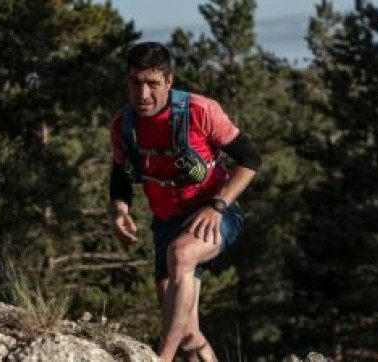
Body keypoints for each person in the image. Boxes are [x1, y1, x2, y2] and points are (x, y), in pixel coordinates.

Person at [108, 42, 261, 362]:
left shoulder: (200, 111)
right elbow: (120, 174)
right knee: (188, 333)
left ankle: (161, 358)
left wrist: (217, 205)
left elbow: (250, 158)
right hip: (166, 223)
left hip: (216, 211)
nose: (143, 94)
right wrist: (120, 209)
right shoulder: (123, 125)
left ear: (169, 81)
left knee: (181, 254)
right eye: (135, 83)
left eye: (152, 84)